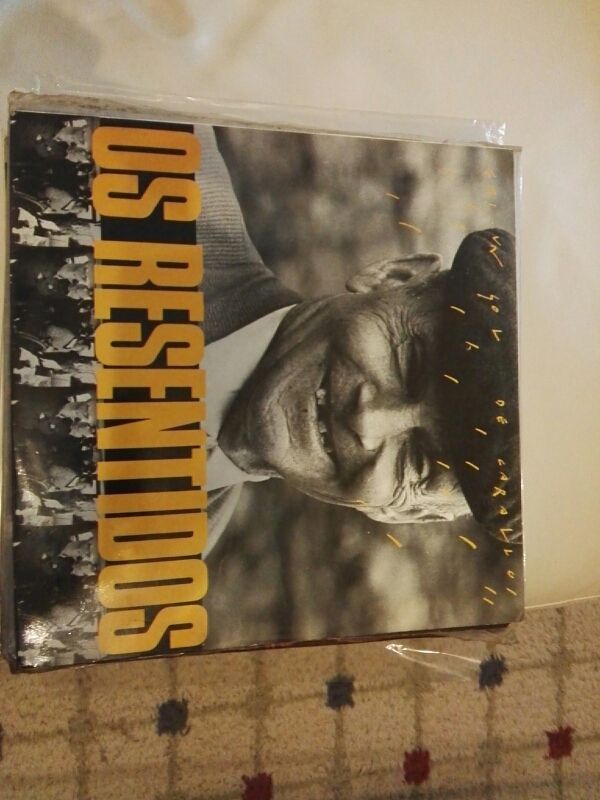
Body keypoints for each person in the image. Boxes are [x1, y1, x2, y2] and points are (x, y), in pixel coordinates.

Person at [196, 126, 521, 556]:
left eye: (418, 461)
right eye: (409, 365)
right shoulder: (167, 161)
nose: (367, 421)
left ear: (408, 513)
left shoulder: (165, 565)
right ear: (393, 277)